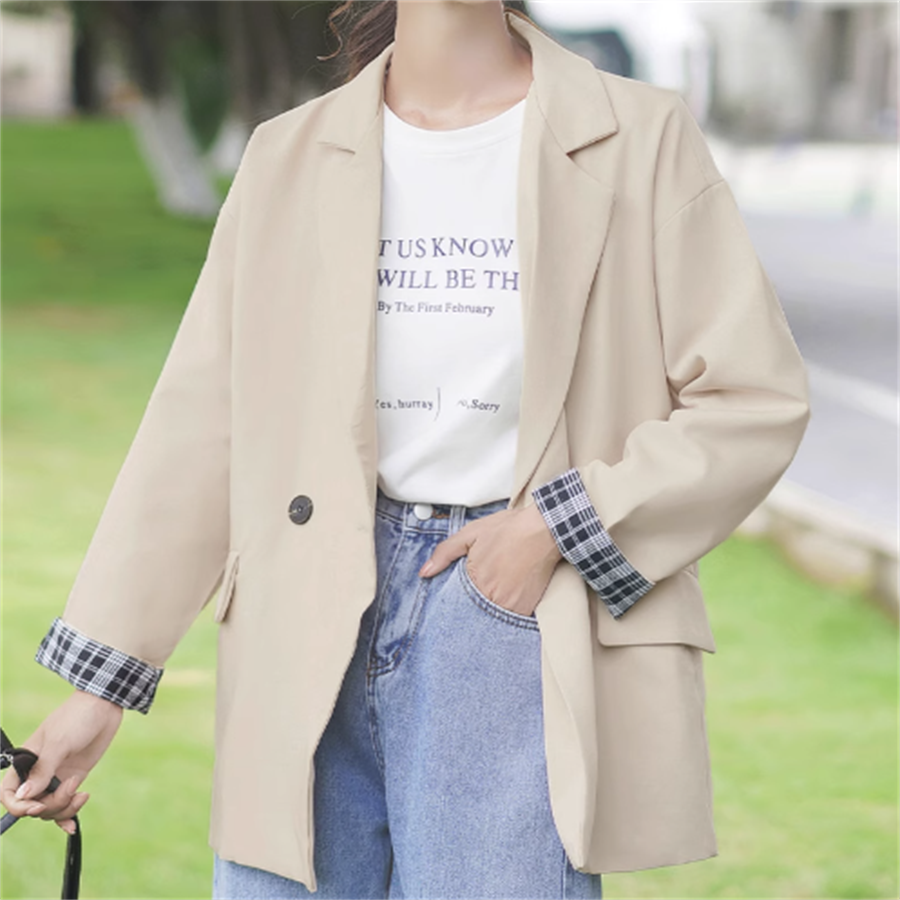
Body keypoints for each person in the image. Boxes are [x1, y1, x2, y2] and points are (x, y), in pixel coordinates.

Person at [1, 2, 811, 898]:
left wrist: (555, 527)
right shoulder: (288, 154)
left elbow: (752, 397)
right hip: (302, 614)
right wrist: (101, 685)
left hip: (512, 614)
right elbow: (203, 424)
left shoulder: (641, 138)